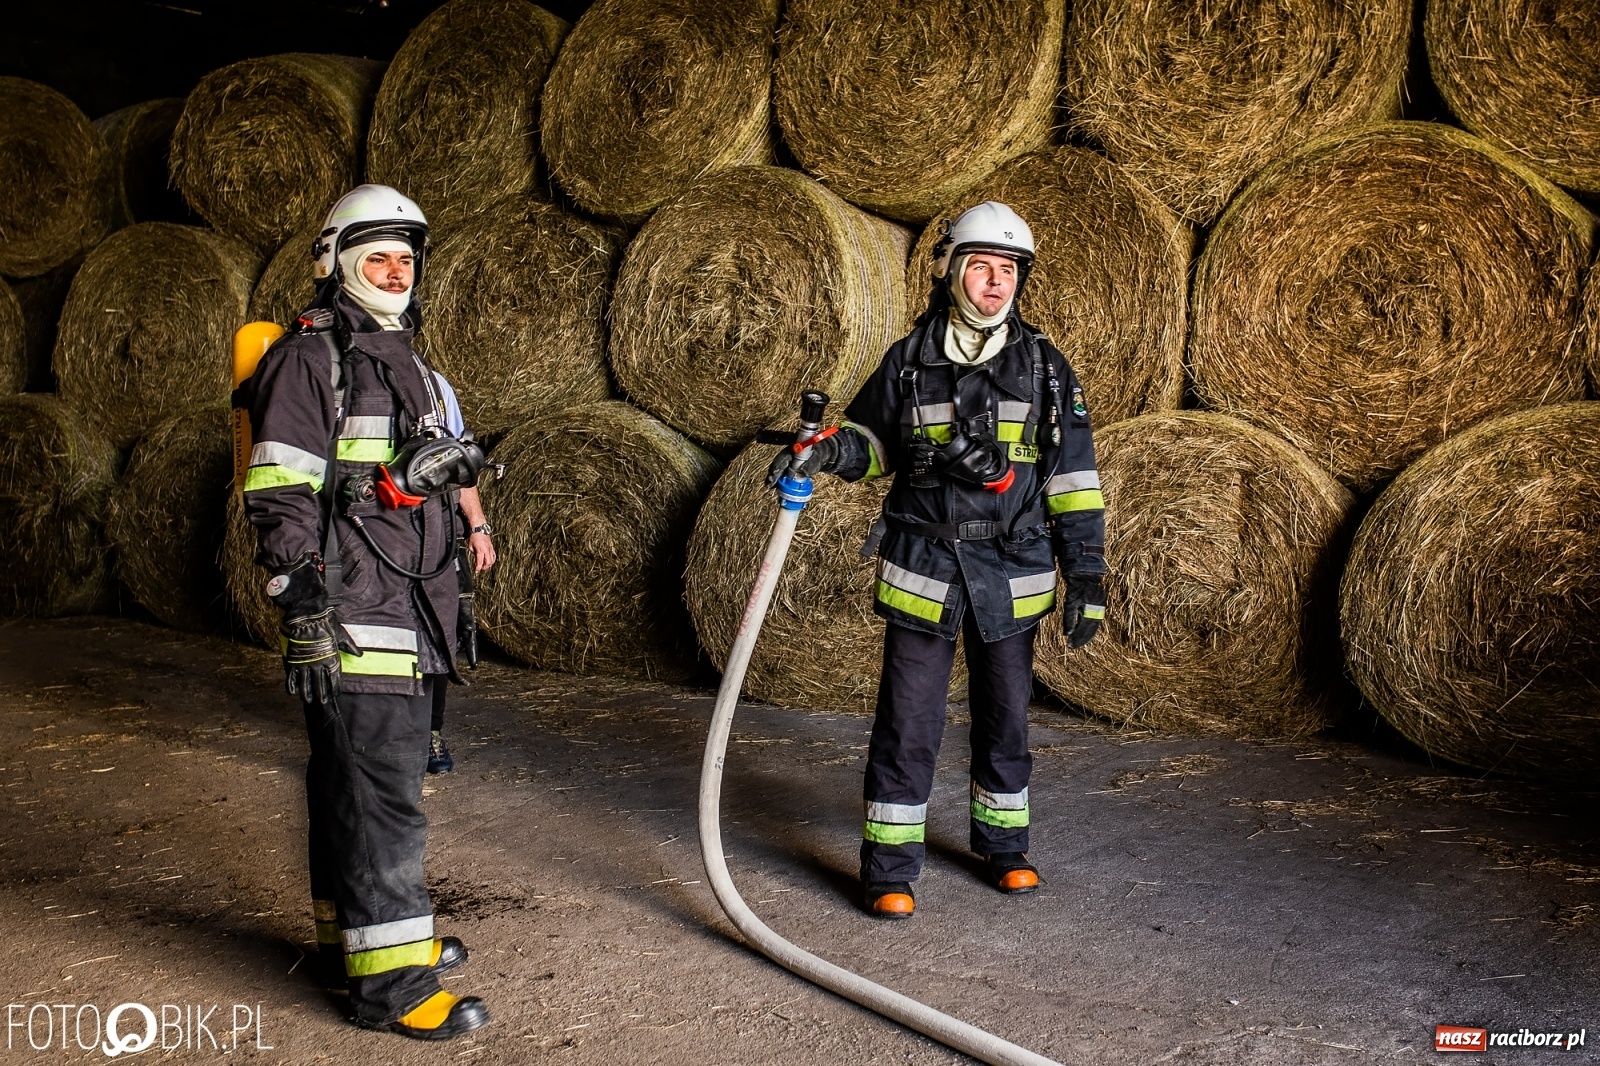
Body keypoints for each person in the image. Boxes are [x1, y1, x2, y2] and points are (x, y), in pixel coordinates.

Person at [768, 202, 1107, 919]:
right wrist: (828, 450)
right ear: (951, 269)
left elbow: (1075, 477)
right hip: (925, 561)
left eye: (1008, 270)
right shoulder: (909, 360)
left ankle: (1004, 847)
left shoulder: (1045, 369)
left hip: (1012, 566)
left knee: (1007, 713)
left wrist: (1086, 573)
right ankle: (889, 867)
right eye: (981, 265)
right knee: (908, 717)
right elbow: (871, 442)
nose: (995, 282)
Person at [238, 184, 490, 1038]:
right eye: (376, 256)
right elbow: (279, 489)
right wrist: (300, 604)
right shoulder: (312, 361)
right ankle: (393, 989)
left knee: (356, 782)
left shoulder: (406, 357)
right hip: (354, 608)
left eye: (405, 258)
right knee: (381, 791)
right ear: (338, 264)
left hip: (409, 605)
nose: (394, 270)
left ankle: (359, 941)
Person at [424, 376, 496, 775]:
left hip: (436, 529)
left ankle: (431, 734)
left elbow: (461, 465)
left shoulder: (434, 387)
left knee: (440, 633)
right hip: (372, 535)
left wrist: (478, 525)